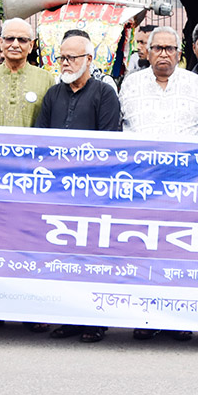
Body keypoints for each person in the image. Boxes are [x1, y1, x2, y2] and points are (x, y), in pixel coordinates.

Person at [0, 18, 54, 336]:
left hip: (33, 181)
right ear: (0, 43)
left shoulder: (46, 80)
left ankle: (31, 309)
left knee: (30, 245)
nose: (16, 44)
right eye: (10, 38)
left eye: (23, 39)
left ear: (32, 46)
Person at [120, 26, 198, 342]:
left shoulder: (195, 84)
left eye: (170, 48)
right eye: (158, 48)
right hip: (142, 182)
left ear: (180, 53)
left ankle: (178, 318)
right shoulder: (131, 83)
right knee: (143, 248)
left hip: (184, 183)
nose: (164, 54)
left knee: (179, 248)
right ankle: (146, 316)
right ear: (148, 51)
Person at [36, 34, 121, 343]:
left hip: (91, 193)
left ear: (89, 60)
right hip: (58, 193)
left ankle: (94, 321)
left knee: (91, 258)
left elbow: (109, 143)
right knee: (63, 257)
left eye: (73, 58)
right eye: (62, 58)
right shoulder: (53, 94)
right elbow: (40, 140)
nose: (66, 63)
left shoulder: (104, 94)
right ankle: (69, 317)